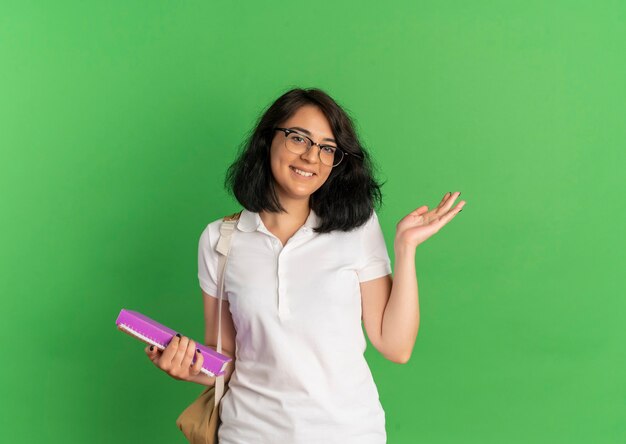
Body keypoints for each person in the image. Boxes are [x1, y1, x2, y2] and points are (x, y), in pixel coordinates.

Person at [145, 87, 466, 443]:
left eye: (327, 148)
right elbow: (225, 359)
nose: (312, 157)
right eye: (299, 138)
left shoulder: (356, 228)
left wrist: (406, 249)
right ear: (268, 140)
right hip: (248, 433)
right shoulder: (220, 240)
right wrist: (184, 366)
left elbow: (396, 346)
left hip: (348, 433)